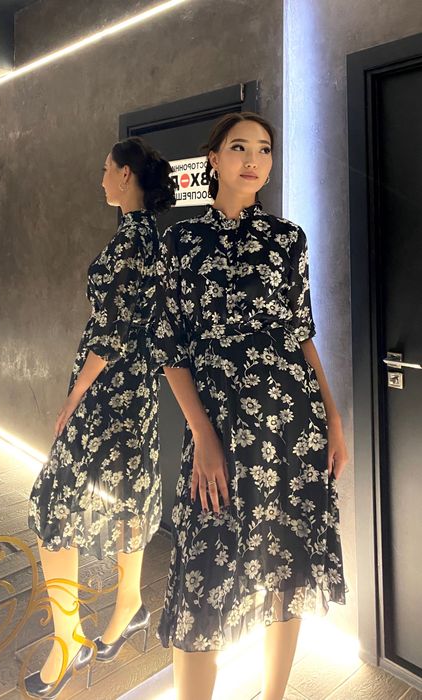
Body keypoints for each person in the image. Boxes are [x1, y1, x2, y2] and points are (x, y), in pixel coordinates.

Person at [151, 112, 348, 700]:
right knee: (202, 577)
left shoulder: (288, 239)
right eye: (239, 147)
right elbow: (168, 345)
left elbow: (301, 332)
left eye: (264, 149)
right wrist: (202, 436)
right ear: (213, 159)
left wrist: (333, 418)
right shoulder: (180, 241)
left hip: (292, 427)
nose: (254, 160)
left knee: (285, 567)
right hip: (217, 426)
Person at [25, 136, 176, 698]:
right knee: (127, 494)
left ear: (126, 175)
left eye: (107, 169)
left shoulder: (131, 242)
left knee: (53, 505)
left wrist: (74, 396)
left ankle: (67, 638)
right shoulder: (150, 237)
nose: (102, 177)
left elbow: (110, 333)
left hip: (107, 394)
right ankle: (129, 604)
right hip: (135, 394)